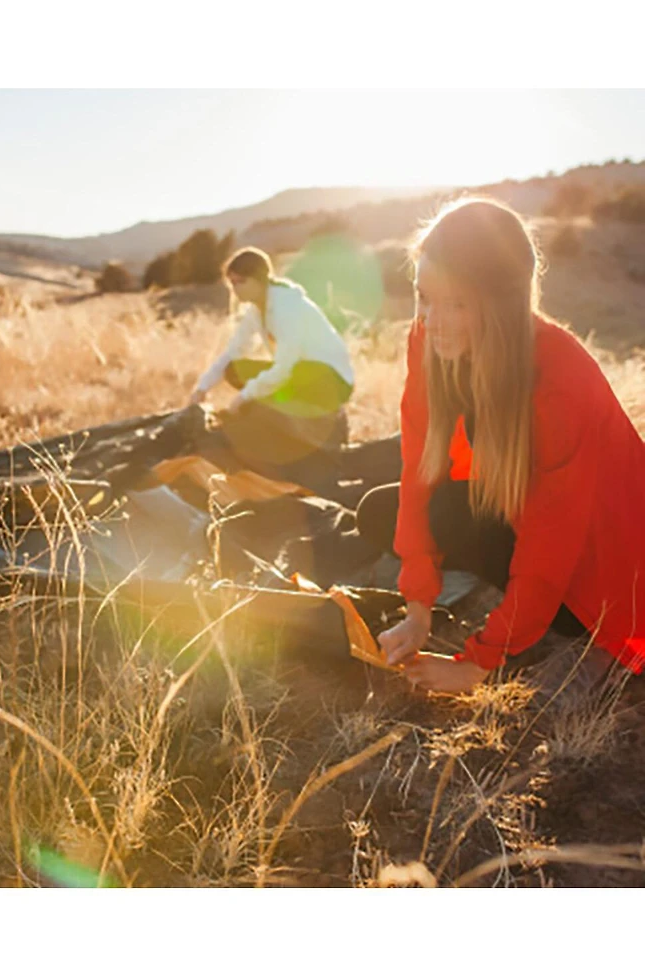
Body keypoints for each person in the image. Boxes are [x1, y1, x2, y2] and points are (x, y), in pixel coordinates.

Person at [355, 197, 645, 693]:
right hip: (520, 513)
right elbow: (419, 469)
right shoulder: (428, 338)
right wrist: (418, 611)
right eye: (425, 297)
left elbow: (551, 543)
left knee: (492, 541)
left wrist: (475, 663)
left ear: (500, 303)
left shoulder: (560, 375)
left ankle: (546, 628)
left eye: (458, 303)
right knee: (384, 511)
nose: (433, 319)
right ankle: (513, 606)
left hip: (605, 563)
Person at [190, 247, 354, 422]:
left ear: (259, 279)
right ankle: (279, 407)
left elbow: (285, 366)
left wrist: (245, 396)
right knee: (234, 370)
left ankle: (287, 412)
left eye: (241, 281)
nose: (236, 289)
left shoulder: (286, 305)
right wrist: (202, 388)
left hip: (331, 380)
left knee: (291, 373)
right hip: (299, 374)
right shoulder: (255, 310)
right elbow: (233, 351)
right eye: (232, 283)